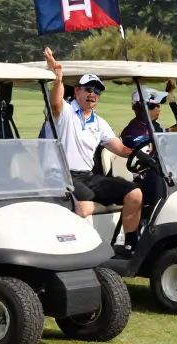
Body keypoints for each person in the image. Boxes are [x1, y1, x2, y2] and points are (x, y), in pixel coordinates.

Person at [44, 48, 142, 254]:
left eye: (97, 91)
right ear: (76, 91)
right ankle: (86, 250)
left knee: (134, 193)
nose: (93, 94)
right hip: (61, 176)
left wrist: (142, 154)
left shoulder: (99, 122)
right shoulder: (65, 112)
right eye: (88, 89)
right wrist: (58, 78)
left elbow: (120, 148)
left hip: (87, 176)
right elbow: (54, 103)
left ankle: (131, 246)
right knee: (85, 205)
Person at [119, 85, 177, 202]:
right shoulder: (132, 133)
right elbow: (142, 164)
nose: (159, 108)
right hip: (141, 179)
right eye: (155, 105)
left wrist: (172, 101)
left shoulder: (154, 127)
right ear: (142, 107)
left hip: (158, 175)